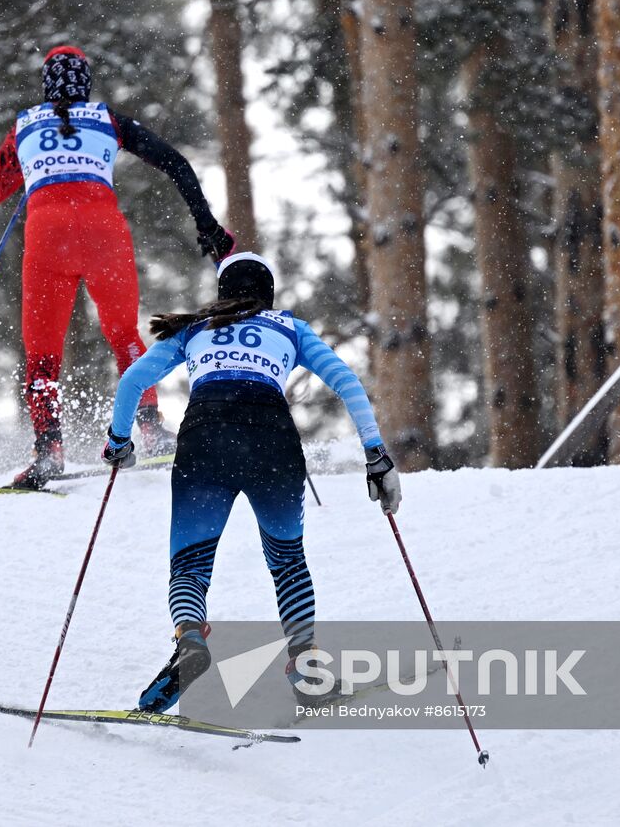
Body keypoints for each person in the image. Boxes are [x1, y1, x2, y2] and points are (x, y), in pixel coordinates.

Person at [100, 253, 402, 712]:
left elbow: (133, 380)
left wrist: (119, 442)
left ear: (223, 291)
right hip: (272, 440)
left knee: (191, 565)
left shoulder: (194, 328)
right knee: (287, 562)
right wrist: (375, 455)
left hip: (206, 436)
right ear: (270, 294)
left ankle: (189, 642)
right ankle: (305, 664)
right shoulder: (290, 327)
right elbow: (346, 381)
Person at [0, 45, 235, 489]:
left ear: (46, 87)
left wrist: (30, 171)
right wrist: (207, 224)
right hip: (103, 232)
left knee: (42, 353)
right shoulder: (108, 119)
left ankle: (48, 451)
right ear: (85, 85)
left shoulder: (23, 125)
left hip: (47, 236)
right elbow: (175, 162)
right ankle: (152, 430)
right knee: (123, 335)